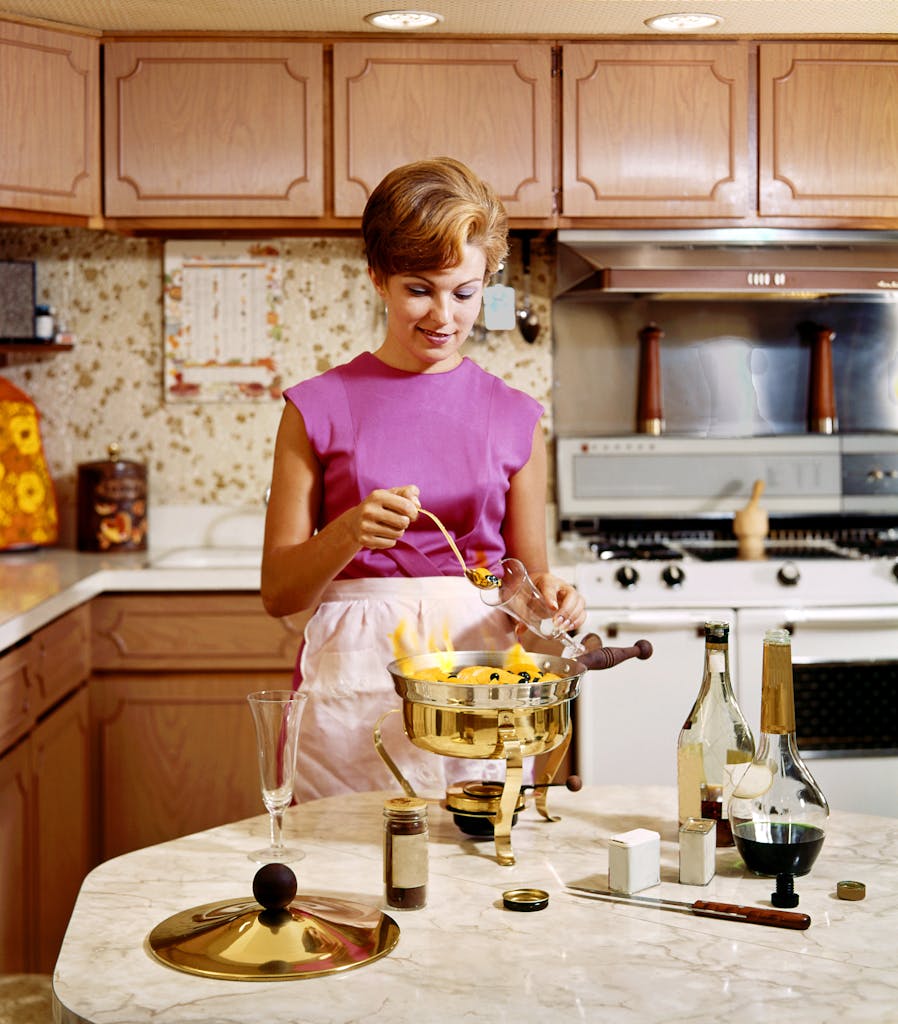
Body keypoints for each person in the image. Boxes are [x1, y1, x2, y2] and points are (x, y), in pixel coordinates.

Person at [261, 156, 586, 801]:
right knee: (346, 878)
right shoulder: (315, 408)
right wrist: (350, 531)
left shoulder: (516, 417)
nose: (443, 316)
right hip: (354, 689)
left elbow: (521, 592)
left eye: (464, 293)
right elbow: (279, 593)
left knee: (476, 873)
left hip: (479, 688)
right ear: (378, 278)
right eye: (419, 289)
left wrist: (552, 603)